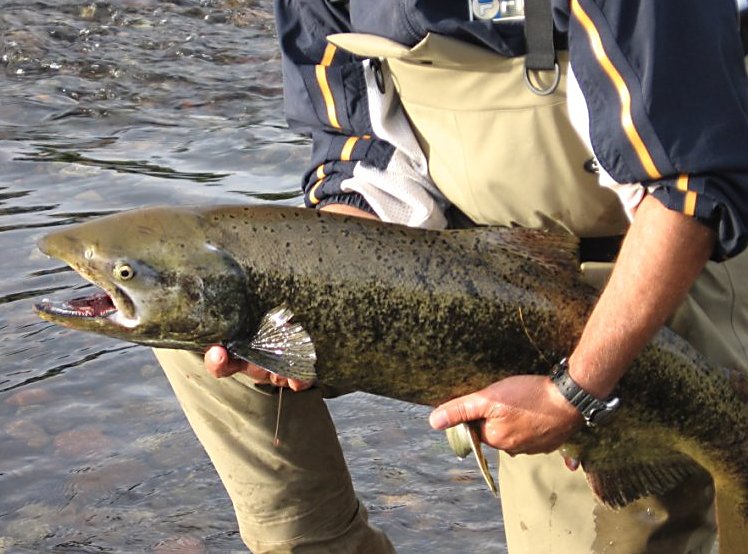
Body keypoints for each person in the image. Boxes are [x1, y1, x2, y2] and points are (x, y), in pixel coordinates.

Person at [155, 0, 748, 552]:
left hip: (652, 263)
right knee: (193, 306)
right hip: (472, 260)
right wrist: (320, 292)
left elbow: (691, 194)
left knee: (691, 473)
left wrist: (575, 391)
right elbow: (361, 146)